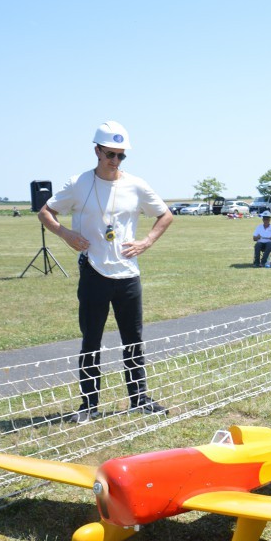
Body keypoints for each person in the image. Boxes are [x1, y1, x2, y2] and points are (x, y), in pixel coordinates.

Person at [38, 121, 174, 423]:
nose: (115, 161)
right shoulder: (78, 183)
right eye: (110, 154)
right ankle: (89, 406)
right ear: (97, 150)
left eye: (121, 155)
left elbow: (166, 215)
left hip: (128, 275)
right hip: (94, 274)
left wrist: (147, 241)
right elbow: (45, 212)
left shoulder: (137, 185)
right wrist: (66, 234)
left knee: (133, 340)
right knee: (91, 342)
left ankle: (139, 399)